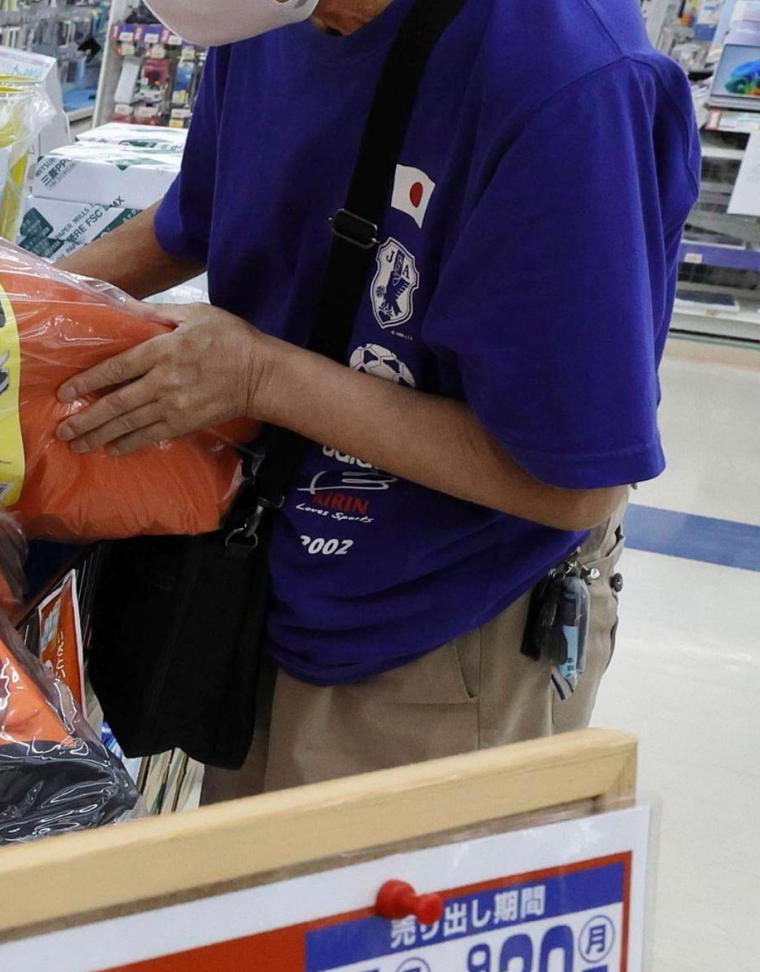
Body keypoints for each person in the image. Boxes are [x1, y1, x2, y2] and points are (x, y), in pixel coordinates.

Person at [60, 0, 698, 798]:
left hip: (444, 627)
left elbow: (570, 484)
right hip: (267, 581)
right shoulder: (266, 20)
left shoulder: (569, 82)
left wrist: (259, 377)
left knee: (357, 914)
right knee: (239, 908)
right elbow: (194, 218)